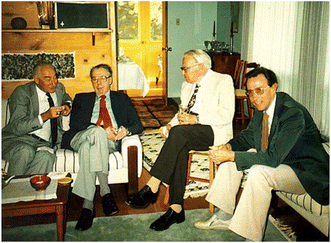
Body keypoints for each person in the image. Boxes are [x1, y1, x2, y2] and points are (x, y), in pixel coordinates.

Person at [194, 67, 329, 241]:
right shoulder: (262, 107)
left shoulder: (292, 113)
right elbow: (248, 137)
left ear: (273, 88)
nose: (255, 97)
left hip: (305, 172)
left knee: (259, 173)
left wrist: (231, 155)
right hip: (283, 161)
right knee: (233, 157)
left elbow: (272, 158)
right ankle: (224, 217)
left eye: (260, 90)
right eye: (250, 93)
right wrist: (227, 147)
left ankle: (251, 237)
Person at [126, 49, 235, 231]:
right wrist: (169, 125)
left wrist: (197, 119)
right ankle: (176, 208)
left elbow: (226, 115)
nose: (182, 72)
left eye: (185, 68)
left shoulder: (223, 81)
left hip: (214, 131)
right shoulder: (187, 86)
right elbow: (181, 114)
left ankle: (153, 185)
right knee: (179, 142)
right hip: (188, 132)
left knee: (179, 135)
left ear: (200, 68)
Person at [61, 64, 143, 231]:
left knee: (88, 148)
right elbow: (75, 125)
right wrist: (99, 129)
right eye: (94, 79)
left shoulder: (122, 99)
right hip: (81, 136)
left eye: (103, 78)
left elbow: (138, 125)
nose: (99, 83)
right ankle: (105, 192)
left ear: (111, 80)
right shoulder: (81, 98)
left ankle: (88, 204)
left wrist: (125, 131)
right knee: (96, 133)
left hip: (109, 143)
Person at [2, 62, 72, 176]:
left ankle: (29, 192)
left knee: (47, 156)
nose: (53, 83)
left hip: (44, 144)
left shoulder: (59, 88)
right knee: (25, 151)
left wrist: (67, 105)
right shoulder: (22, 93)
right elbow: (17, 126)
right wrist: (45, 116)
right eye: (48, 79)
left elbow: (66, 97)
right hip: (19, 140)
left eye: (55, 77)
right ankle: (11, 190)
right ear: (36, 80)